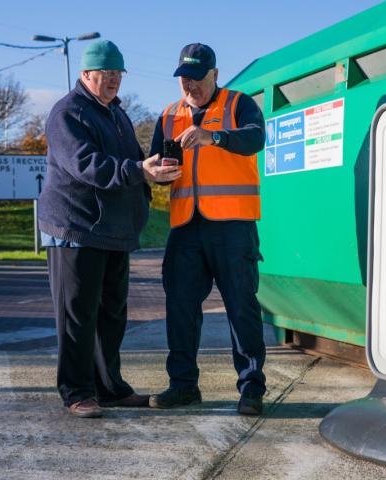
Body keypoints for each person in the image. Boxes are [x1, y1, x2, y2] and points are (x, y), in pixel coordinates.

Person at [38, 40, 181, 418]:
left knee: (112, 316)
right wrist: (138, 171)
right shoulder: (67, 113)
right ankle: (76, 392)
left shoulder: (117, 114)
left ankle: (109, 388)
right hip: (76, 229)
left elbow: (134, 163)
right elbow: (87, 165)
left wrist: (156, 173)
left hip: (114, 232)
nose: (114, 81)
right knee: (77, 316)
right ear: (86, 75)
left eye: (118, 74)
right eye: (107, 74)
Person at [149, 43, 267, 415]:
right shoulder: (168, 115)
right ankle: (183, 386)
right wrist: (158, 174)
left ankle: (251, 389)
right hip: (186, 226)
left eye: (197, 78)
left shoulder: (238, 104)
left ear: (215, 74)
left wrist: (213, 136)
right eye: (184, 78)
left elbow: (256, 138)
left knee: (241, 308)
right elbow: (158, 163)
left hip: (232, 225)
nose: (190, 86)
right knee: (180, 308)